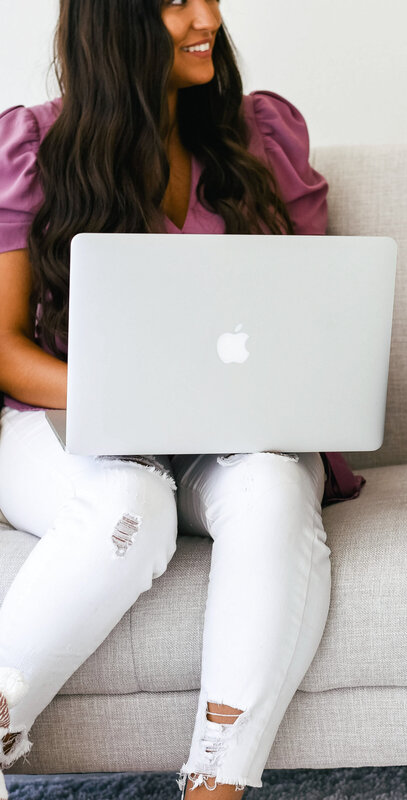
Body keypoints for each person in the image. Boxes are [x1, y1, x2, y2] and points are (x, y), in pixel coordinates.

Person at [0, 1, 361, 797]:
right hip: (66, 423)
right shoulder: (30, 145)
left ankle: (215, 783)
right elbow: (7, 353)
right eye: (174, 1)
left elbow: (316, 316)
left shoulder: (261, 135)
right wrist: (131, 395)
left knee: (270, 487)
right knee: (129, 500)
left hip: (229, 436)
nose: (207, 16)